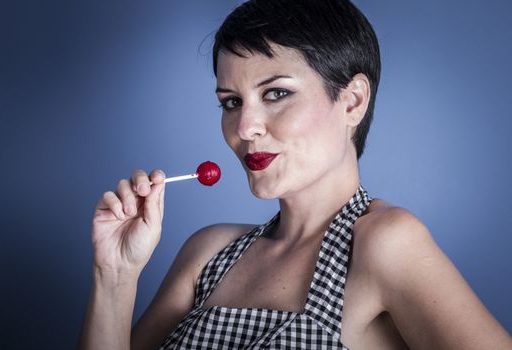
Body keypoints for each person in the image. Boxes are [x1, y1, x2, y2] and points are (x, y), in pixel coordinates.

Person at [79, 0, 512, 349]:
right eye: (231, 102)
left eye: (277, 93)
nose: (245, 127)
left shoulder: (385, 244)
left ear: (352, 101)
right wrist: (114, 275)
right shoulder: (206, 254)